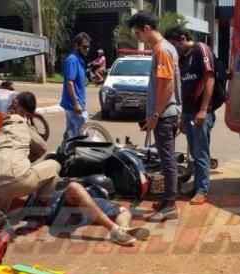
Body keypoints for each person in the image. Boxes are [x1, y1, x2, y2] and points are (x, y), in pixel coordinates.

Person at [129, 11, 182, 222]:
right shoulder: (167, 48)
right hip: (167, 113)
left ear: (147, 28)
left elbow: (167, 86)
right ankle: (167, 200)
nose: (138, 38)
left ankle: (170, 205)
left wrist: (155, 115)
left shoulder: (162, 50)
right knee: (165, 159)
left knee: (167, 161)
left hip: (165, 115)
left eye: (137, 33)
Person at [165, 27, 215, 206]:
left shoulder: (201, 50)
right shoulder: (182, 58)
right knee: (194, 153)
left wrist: (203, 109)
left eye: (174, 45)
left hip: (200, 112)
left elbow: (209, 78)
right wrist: (182, 117)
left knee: (201, 153)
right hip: (187, 112)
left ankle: (202, 190)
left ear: (182, 39)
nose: (173, 49)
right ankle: (196, 187)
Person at [0, 115, 58, 216]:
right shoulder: (23, 127)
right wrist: (29, 158)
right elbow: (42, 148)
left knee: (5, 183)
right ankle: (42, 203)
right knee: (54, 165)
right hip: (17, 180)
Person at [26, 182, 148, 246]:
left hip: (63, 214)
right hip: (57, 212)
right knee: (74, 187)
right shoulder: (95, 200)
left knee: (74, 186)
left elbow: (123, 211)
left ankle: (122, 231)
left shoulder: (97, 202)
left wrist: (124, 227)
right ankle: (117, 230)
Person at [61, 32, 90, 140]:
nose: (87, 49)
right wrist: (76, 104)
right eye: (84, 47)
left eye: (88, 47)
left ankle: (66, 148)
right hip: (74, 106)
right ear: (76, 46)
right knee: (81, 136)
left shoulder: (79, 59)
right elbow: (70, 82)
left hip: (76, 104)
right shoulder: (72, 60)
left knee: (71, 134)